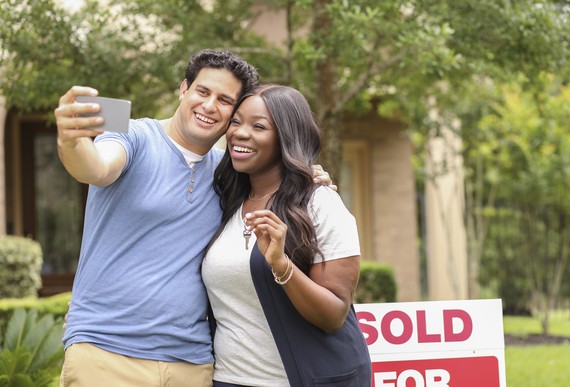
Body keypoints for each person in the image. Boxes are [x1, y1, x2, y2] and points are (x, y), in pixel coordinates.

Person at [54, 49, 259, 387]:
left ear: (235, 114)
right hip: (107, 355)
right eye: (203, 92)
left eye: (225, 100)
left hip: (191, 363)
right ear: (184, 89)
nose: (210, 106)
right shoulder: (133, 135)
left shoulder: (229, 171)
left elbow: (276, 185)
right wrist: (70, 139)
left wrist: (311, 176)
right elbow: (97, 167)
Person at [203, 84, 372, 387]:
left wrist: (281, 265)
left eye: (258, 126)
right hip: (230, 379)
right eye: (236, 122)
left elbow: (333, 314)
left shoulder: (319, 204)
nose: (240, 133)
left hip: (306, 380)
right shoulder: (224, 200)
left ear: (286, 137)